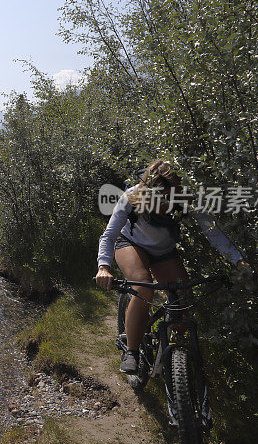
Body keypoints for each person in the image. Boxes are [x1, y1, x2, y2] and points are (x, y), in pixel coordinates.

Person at [93, 159, 248, 374]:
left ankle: (177, 358)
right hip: (130, 244)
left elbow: (212, 231)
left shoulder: (185, 199)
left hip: (163, 252)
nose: (165, 203)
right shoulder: (131, 197)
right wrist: (104, 267)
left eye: (169, 197)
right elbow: (109, 236)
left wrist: (237, 260)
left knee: (183, 297)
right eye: (159, 199)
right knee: (143, 286)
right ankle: (132, 351)